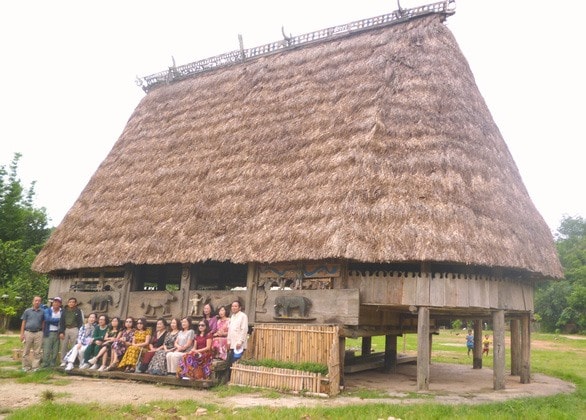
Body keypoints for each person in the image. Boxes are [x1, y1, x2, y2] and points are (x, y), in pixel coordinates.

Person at [19, 296, 45, 372]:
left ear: (40, 302)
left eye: (39, 301)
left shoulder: (42, 312)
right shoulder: (27, 311)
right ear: (33, 302)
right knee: (26, 351)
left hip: (38, 333)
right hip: (28, 332)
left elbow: (43, 322)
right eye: (36, 300)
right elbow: (23, 322)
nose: (37, 302)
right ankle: (26, 367)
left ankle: (35, 367)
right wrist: (22, 334)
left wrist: (42, 332)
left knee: (37, 351)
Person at [59, 297, 84, 364]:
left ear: (75, 303)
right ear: (68, 303)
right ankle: (63, 361)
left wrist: (80, 331)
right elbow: (61, 322)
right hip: (66, 329)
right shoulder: (64, 311)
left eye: (73, 302)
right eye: (70, 302)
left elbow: (80, 322)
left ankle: (71, 361)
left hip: (74, 329)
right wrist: (61, 331)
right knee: (64, 346)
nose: (71, 303)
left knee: (74, 346)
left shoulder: (78, 311)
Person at [227, 300, 248, 370]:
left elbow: (244, 330)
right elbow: (230, 330)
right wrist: (228, 341)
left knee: (236, 362)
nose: (233, 308)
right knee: (230, 363)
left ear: (239, 308)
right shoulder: (232, 317)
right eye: (232, 306)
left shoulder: (243, 316)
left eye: (235, 306)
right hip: (232, 344)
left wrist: (240, 342)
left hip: (239, 344)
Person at [41, 297, 62, 368]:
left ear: (60, 304)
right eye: (54, 302)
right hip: (48, 332)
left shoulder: (62, 311)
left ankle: (52, 364)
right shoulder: (47, 310)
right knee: (46, 349)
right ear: (52, 303)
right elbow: (47, 319)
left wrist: (53, 321)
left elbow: (63, 322)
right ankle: (45, 363)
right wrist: (59, 321)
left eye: (58, 302)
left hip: (58, 333)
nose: (56, 303)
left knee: (55, 350)